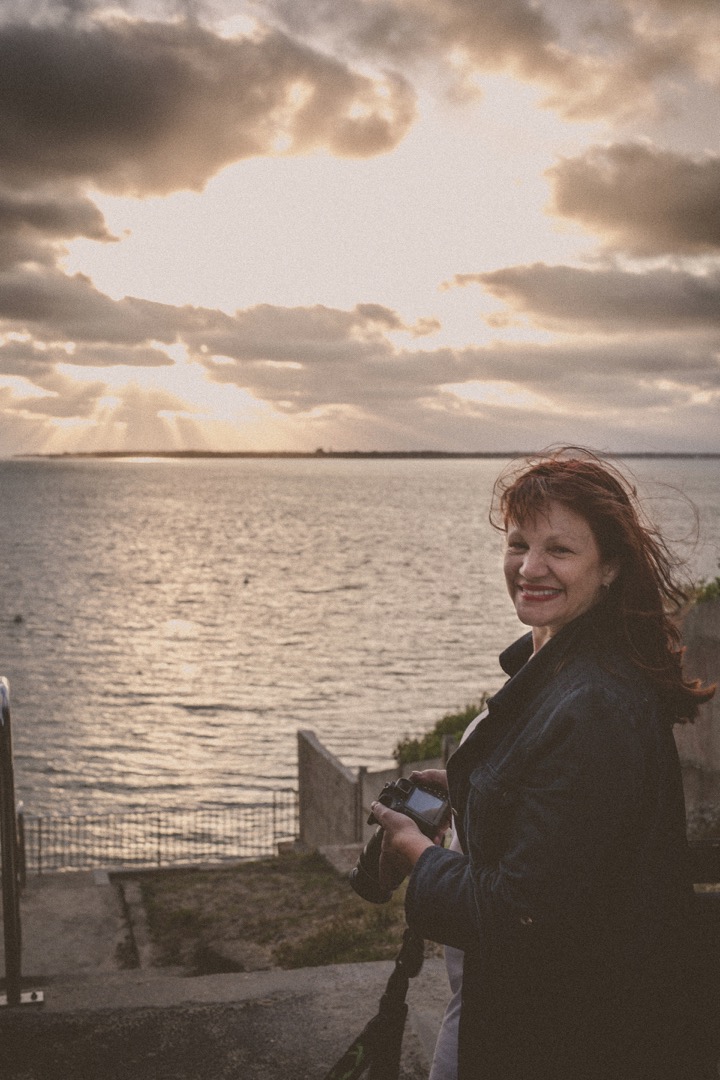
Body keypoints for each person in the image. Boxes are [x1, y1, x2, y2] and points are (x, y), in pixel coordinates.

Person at [370, 447, 716, 1080]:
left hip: (563, 1036)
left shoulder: (596, 704)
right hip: (512, 1010)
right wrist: (473, 790)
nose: (530, 567)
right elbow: (566, 827)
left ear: (610, 566)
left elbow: (516, 916)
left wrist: (416, 853)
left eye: (559, 549)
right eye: (518, 544)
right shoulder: (558, 666)